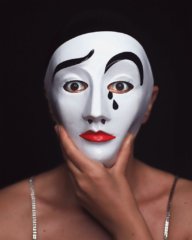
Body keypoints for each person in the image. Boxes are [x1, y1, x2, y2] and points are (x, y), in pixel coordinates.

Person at [0, 10, 192, 240]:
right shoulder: (6, 217)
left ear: (148, 103)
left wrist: (124, 219)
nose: (96, 112)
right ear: (50, 103)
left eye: (120, 86)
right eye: (74, 86)